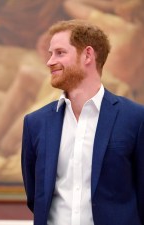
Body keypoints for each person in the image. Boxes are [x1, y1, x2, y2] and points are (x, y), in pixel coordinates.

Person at [21, 19, 144, 225]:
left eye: (60, 53)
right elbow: (36, 196)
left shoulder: (135, 118)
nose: (50, 61)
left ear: (88, 55)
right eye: (51, 53)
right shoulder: (35, 123)